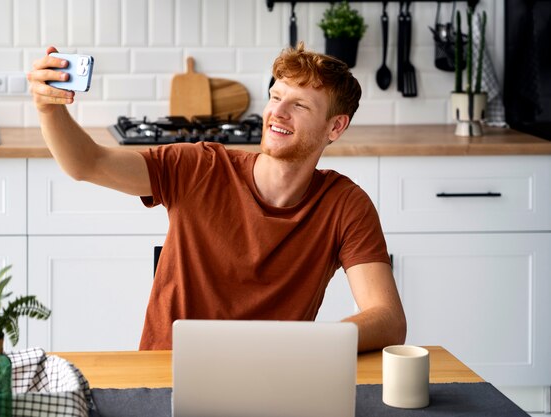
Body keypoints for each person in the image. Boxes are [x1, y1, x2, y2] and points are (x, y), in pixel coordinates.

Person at [27, 42, 406, 352]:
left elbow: (387, 318)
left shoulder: (344, 205)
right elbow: (88, 163)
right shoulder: (198, 167)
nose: (278, 113)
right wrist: (48, 109)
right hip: (165, 373)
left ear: (335, 127)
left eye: (300, 105)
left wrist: (308, 345)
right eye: (276, 96)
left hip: (272, 380)